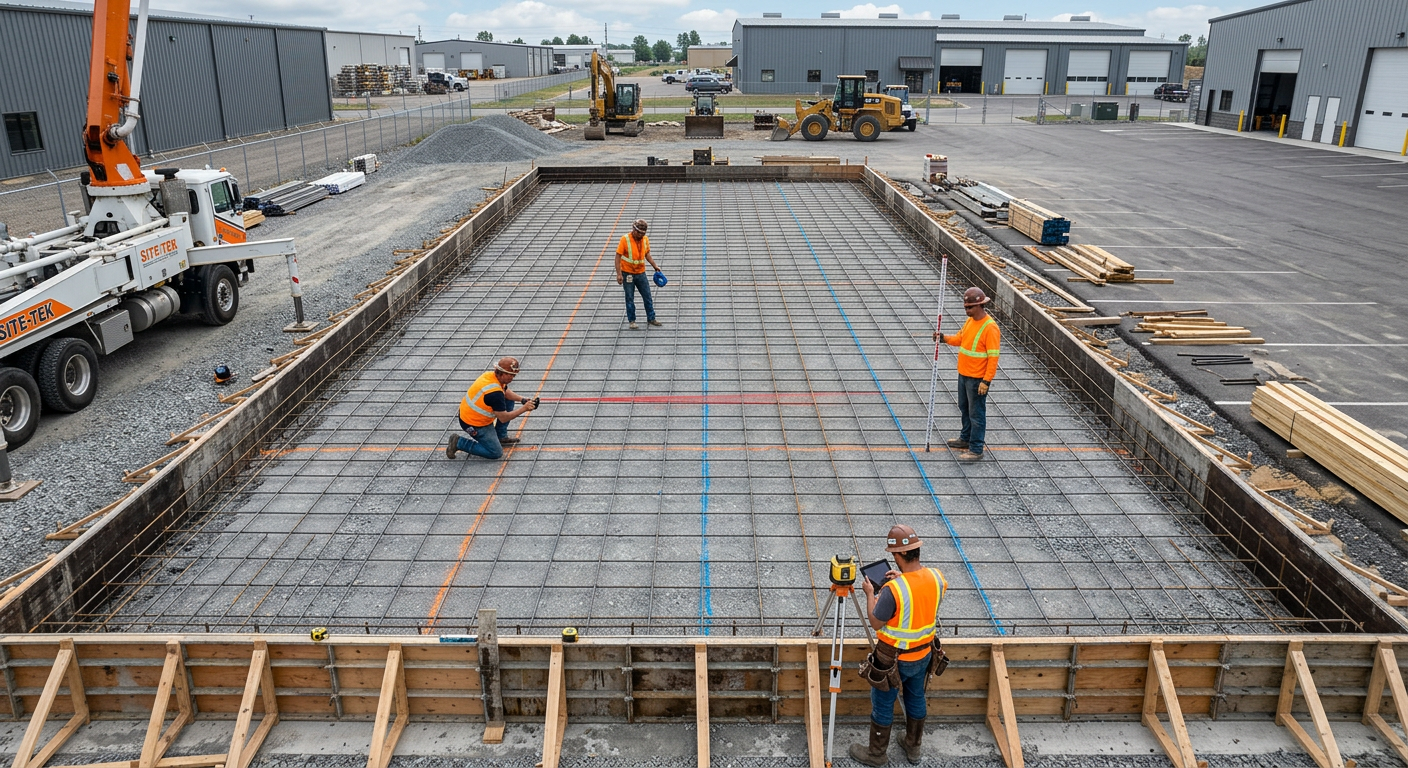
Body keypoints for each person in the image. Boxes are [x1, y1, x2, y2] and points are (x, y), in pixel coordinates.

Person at [850, 525, 947, 767]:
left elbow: (875, 622)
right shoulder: (937, 578)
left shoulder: (893, 590)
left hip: (892, 659)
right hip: (924, 654)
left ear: (898, 555)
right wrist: (904, 578)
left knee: (883, 703)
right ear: (917, 551)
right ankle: (913, 747)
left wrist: (870, 594)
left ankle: (876, 755)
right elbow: (919, 593)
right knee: (916, 697)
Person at [934, 287, 1000, 461]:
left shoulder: (990, 327)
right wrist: (944, 338)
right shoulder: (969, 322)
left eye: (970, 307)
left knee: (976, 414)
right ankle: (965, 438)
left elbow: (993, 358)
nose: (967, 310)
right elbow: (960, 339)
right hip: (963, 375)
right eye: (966, 307)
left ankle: (976, 448)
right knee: (964, 408)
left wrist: (986, 381)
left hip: (978, 379)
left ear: (980, 305)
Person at [446, 356, 538, 460]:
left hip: (469, 413)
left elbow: (505, 392)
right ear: (501, 372)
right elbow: (504, 418)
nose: (512, 378)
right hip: (473, 423)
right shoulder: (494, 393)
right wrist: (524, 409)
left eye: (514, 375)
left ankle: (500, 436)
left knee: (508, 399)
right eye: (510, 375)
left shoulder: (490, 376)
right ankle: (459, 442)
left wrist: (522, 400)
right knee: (495, 452)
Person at [617, 219, 663, 330]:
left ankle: (651, 318)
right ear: (634, 229)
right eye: (639, 233)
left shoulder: (645, 240)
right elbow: (617, 257)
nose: (641, 235)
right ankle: (632, 321)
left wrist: (655, 266)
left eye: (643, 234)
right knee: (629, 298)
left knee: (647, 296)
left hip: (641, 273)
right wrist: (619, 274)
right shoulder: (625, 239)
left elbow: (647, 254)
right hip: (627, 273)